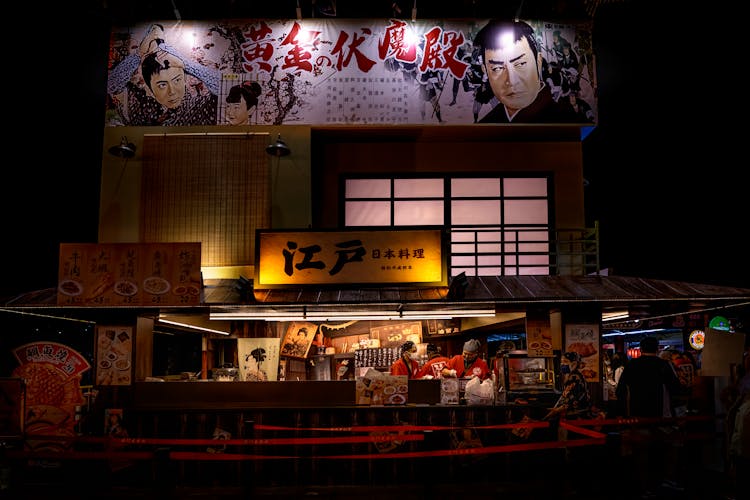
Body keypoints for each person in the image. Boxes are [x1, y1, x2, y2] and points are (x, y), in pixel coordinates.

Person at [107, 24, 219, 126]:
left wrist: (185, 64)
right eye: (162, 85)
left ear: (184, 79)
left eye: (177, 80)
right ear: (149, 89)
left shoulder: (197, 106)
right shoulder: (141, 106)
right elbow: (111, 85)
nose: (172, 91)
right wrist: (138, 55)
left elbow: (225, 87)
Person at [473, 20, 580, 123]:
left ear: (538, 62)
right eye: (497, 68)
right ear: (486, 71)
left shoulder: (567, 120)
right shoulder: (485, 127)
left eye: (520, 64)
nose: (512, 80)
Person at [616, 336, 684, 497]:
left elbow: (620, 391)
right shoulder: (664, 365)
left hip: (637, 415)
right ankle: (665, 480)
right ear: (658, 348)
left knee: (641, 454)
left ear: (640, 349)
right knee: (666, 449)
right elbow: (675, 388)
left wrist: (623, 413)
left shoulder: (632, 365)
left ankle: (643, 487)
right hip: (662, 417)